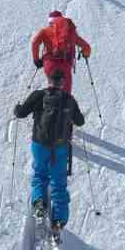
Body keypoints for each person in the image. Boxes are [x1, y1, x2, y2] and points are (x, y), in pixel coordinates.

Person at [13, 67, 85, 236]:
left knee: (40, 175)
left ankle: (39, 204)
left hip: (40, 144)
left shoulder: (39, 95)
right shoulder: (69, 99)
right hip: (60, 147)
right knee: (59, 183)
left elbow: (21, 113)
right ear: (63, 83)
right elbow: (80, 121)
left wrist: (17, 108)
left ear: (49, 80)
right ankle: (58, 221)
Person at [31, 9, 91, 93]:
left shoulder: (45, 31)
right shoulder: (69, 33)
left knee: (53, 88)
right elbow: (86, 47)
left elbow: (35, 42)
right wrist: (85, 53)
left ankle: (51, 104)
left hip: (50, 63)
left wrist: (36, 60)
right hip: (65, 63)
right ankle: (65, 105)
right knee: (65, 92)